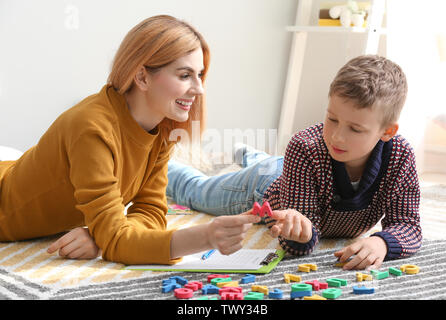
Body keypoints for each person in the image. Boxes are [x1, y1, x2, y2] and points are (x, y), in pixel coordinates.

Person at [0, 15, 260, 265]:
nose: (199, 89)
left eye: (199, 75)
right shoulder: (91, 128)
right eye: (184, 75)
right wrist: (205, 236)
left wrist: (99, 237)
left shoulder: (161, 129)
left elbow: (150, 211)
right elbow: (117, 239)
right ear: (142, 77)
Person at [166, 54, 422, 270]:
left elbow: (408, 225)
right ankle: (161, 163)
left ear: (388, 132)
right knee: (196, 190)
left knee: (273, 163)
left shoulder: (400, 156)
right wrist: (302, 232)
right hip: (261, 187)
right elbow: (295, 241)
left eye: (355, 129)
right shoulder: (304, 147)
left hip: (288, 171)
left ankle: (248, 154)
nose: (337, 136)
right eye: (332, 119)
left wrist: (382, 242)